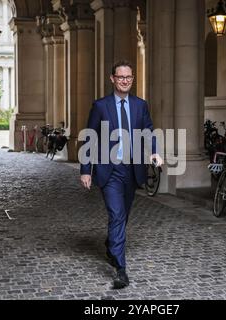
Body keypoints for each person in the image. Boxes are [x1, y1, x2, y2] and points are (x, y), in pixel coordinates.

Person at [80, 60, 163, 289]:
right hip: (110, 171)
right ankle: (120, 269)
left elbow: (148, 130)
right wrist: (86, 170)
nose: (125, 81)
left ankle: (111, 243)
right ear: (112, 79)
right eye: (121, 77)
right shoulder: (100, 106)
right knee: (117, 215)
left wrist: (154, 152)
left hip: (132, 169)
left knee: (123, 215)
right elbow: (90, 138)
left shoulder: (140, 105)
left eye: (129, 77)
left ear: (132, 79)